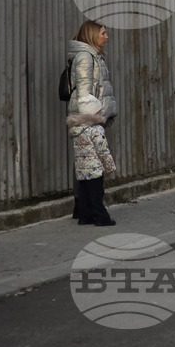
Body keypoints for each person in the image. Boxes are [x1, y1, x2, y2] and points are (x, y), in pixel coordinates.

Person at [68, 20, 118, 220]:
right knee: (92, 166)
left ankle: (83, 210)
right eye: (103, 33)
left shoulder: (93, 56)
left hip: (91, 118)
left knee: (86, 164)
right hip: (88, 120)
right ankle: (96, 212)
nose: (106, 37)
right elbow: (83, 93)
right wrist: (92, 119)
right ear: (91, 35)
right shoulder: (85, 57)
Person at [66, 91, 117, 226]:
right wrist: (110, 166)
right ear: (94, 113)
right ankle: (102, 217)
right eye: (99, 111)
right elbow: (102, 150)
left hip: (82, 169)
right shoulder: (96, 130)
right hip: (94, 169)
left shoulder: (77, 130)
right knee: (96, 194)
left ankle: (84, 216)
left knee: (84, 194)